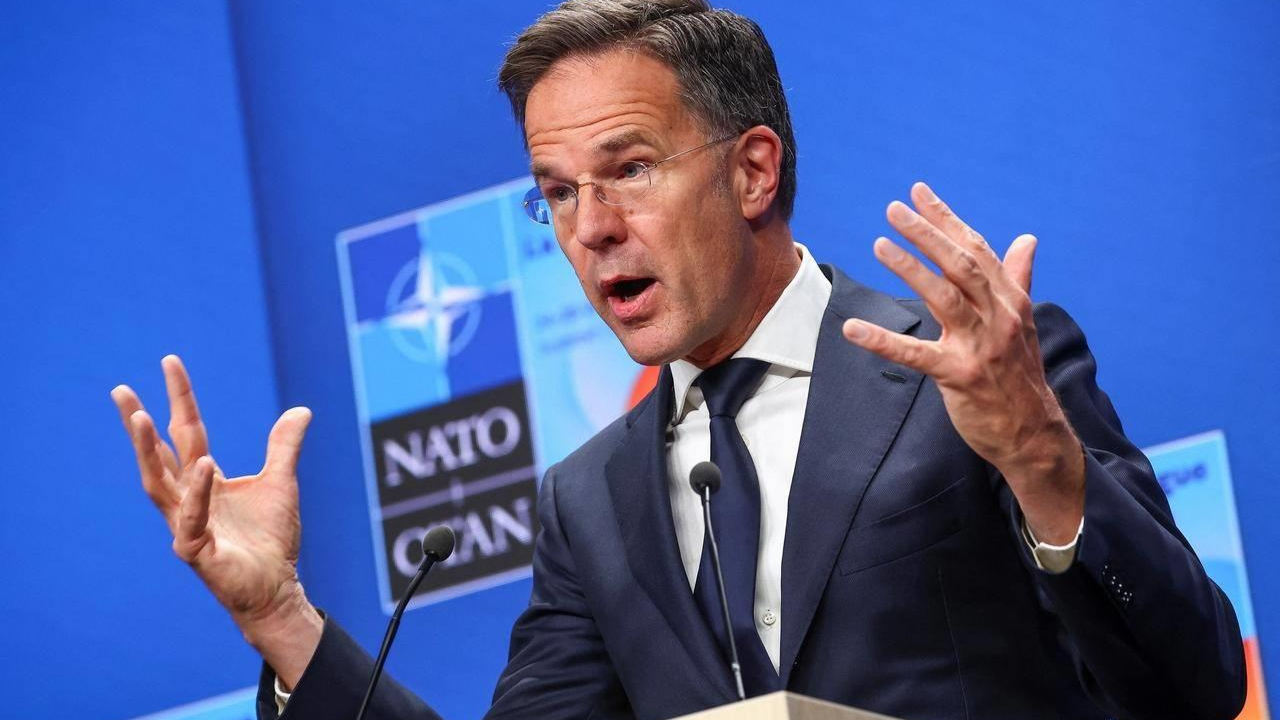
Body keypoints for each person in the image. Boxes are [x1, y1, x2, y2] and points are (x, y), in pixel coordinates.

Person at [111, 1, 1246, 719]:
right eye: (557, 193)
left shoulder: (971, 379)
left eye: (629, 169)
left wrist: (1043, 462)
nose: (590, 228)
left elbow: (1192, 683)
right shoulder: (591, 504)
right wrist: (283, 621)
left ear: (752, 171)